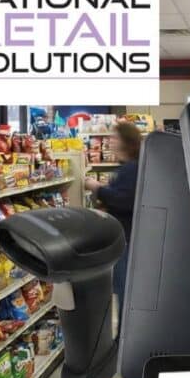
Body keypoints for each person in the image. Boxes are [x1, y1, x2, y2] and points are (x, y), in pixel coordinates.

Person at [83, 121, 142, 316]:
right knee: (124, 290)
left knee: (126, 292)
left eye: (115, 138)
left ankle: (125, 332)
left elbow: (125, 200)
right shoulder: (129, 167)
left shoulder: (131, 169)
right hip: (126, 237)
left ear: (126, 141)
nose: (110, 142)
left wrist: (97, 188)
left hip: (126, 238)